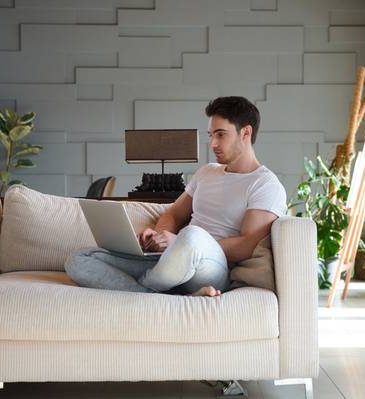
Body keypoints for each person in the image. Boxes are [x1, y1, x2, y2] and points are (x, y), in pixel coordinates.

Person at [65, 96, 287, 297]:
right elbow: (173, 213)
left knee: (192, 235)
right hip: (172, 261)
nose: (213, 144)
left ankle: (148, 289)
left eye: (221, 135)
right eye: (211, 135)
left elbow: (247, 245)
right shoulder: (207, 172)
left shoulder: (265, 184)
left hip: (212, 267)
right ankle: (166, 298)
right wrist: (160, 235)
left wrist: (180, 243)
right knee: (80, 259)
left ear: (245, 133)